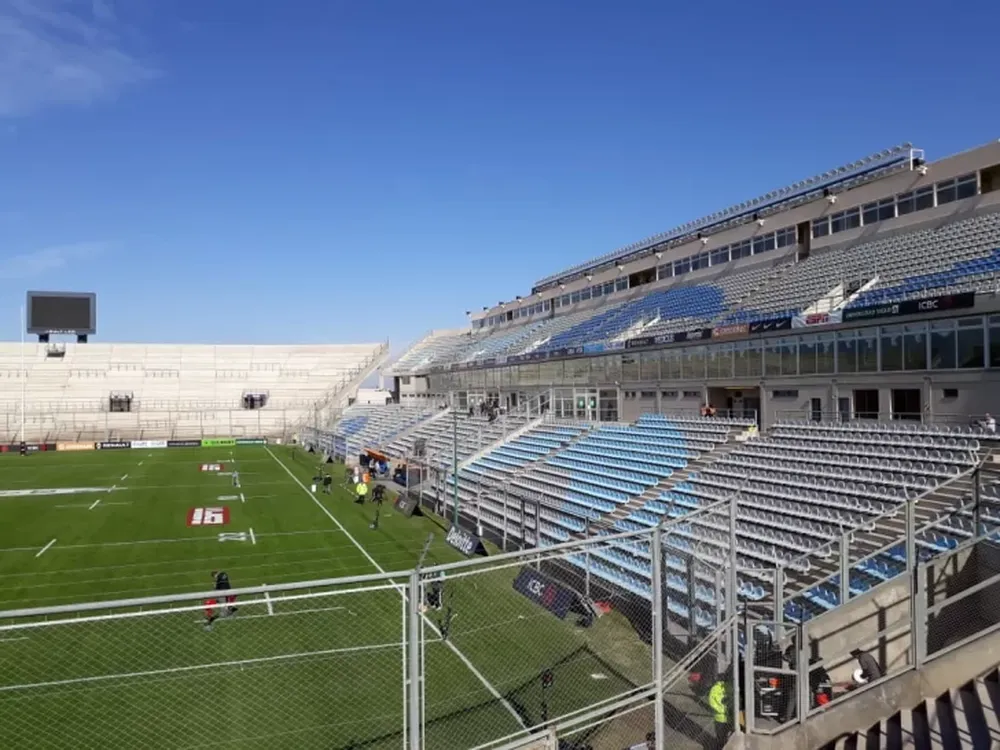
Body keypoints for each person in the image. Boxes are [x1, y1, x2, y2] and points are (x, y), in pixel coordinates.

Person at [708, 673, 731, 748]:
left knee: (720, 736)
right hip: (729, 717)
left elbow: (712, 702)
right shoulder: (730, 687)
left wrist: (720, 710)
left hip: (719, 718)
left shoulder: (714, 688)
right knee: (728, 735)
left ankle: (720, 746)